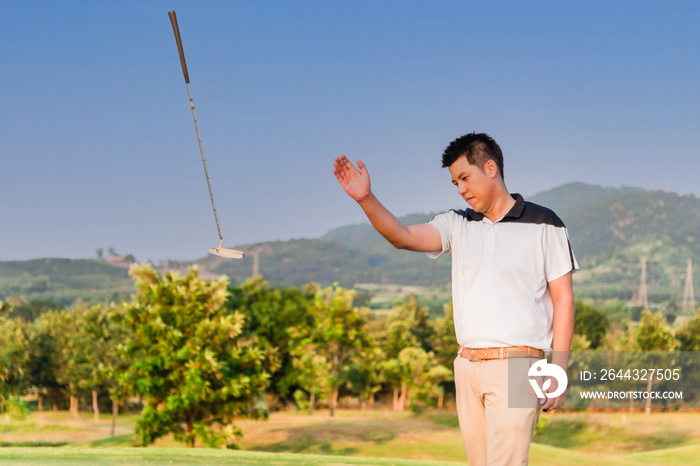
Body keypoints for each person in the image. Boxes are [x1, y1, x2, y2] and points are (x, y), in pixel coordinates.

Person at [333, 132, 577, 466]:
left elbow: (563, 299)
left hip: (519, 366)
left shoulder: (545, 223)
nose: (460, 189)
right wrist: (366, 199)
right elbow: (402, 237)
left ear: (490, 168)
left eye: (465, 177)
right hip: (466, 366)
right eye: (454, 183)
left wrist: (558, 371)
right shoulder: (457, 223)